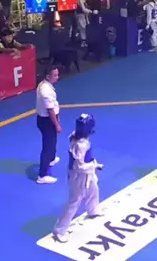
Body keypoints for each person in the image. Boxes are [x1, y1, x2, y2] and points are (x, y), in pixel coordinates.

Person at [52, 113, 104, 243]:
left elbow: (87, 158)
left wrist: (94, 164)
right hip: (79, 176)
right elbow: (79, 166)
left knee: (93, 190)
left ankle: (93, 210)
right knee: (74, 202)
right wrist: (93, 166)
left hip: (87, 174)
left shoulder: (77, 137)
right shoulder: (80, 144)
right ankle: (60, 230)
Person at [36, 66, 62, 184]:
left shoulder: (44, 85)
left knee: (52, 141)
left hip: (46, 119)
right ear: (47, 76)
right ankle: (42, 175)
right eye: (54, 75)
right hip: (47, 121)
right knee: (47, 146)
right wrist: (57, 125)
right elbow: (50, 110)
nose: (57, 77)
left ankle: (51, 159)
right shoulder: (46, 91)